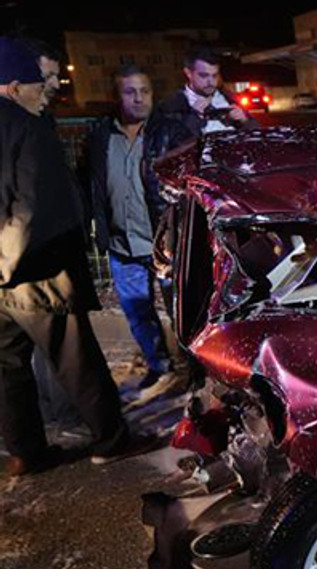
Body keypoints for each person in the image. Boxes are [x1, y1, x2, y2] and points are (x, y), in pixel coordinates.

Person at [0, 38, 154, 476]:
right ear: (12, 87)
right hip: (35, 270)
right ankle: (110, 439)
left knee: (8, 369)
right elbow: (31, 208)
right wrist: (7, 266)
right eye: (36, 84)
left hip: (3, 274)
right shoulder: (28, 128)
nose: (45, 91)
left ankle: (25, 451)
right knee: (76, 358)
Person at [85, 66, 178, 391]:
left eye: (145, 91)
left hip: (165, 245)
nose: (139, 98)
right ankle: (159, 366)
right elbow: (91, 185)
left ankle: (193, 370)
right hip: (122, 244)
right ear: (116, 96)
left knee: (181, 311)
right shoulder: (99, 135)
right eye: (130, 91)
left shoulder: (169, 132)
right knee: (138, 313)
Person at [154, 47, 256, 138]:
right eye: (204, 75)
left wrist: (245, 121)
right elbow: (168, 143)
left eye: (214, 75)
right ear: (188, 73)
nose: (210, 82)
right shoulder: (170, 106)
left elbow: (256, 134)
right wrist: (194, 118)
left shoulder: (229, 98)